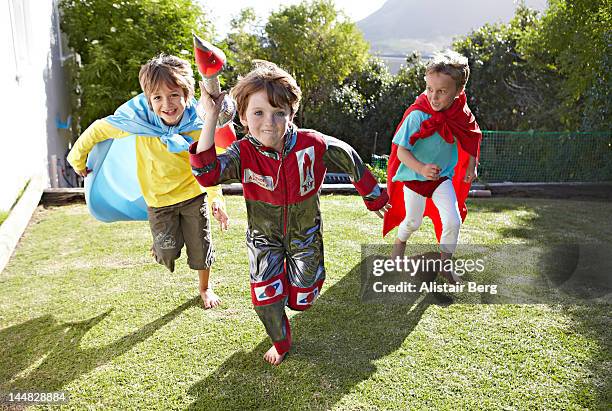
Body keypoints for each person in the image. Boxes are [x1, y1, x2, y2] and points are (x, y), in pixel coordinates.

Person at [190, 60, 390, 365]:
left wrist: (374, 196)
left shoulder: (312, 144)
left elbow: (348, 156)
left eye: (278, 113)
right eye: (258, 113)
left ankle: (299, 287)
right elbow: (206, 173)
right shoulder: (243, 153)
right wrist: (213, 114)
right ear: (242, 117)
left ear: (291, 114)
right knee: (265, 299)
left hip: (305, 235)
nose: (269, 122)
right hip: (263, 240)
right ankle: (281, 342)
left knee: (303, 300)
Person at [67, 54, 228, 309]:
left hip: (192, 195)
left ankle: (205, 288)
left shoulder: (198, 125)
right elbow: (98, 129)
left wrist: (216, 198)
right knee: (167, 252)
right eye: (158, 97)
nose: (167, 104)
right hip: (158, 201)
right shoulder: (137, 122)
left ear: (186, 94)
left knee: (201, 246)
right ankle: (160, 245)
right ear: (148, 99)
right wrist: (77, 160)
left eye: (174, 94)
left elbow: (208, 164)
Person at [383, 50, 482, 284]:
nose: (433, 97)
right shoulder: (418, 116)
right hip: (415, 180)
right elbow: (401, 152)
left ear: (459, 92)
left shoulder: (461, 115)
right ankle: (400, 243)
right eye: (429, 89)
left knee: (452, 221)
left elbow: (473, 136)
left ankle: (446, 264)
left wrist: (472, 163)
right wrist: (421, 168)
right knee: (412, 222)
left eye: (442, 91)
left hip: (441, 180)